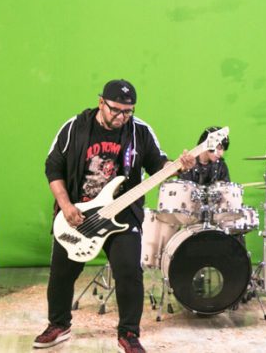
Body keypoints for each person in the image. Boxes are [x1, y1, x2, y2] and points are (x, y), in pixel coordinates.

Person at [34, 79, 195, 353]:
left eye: (128, 111)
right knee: (61, 273)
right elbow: (53, 168)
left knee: (129, 271)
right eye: (116, 110)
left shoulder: (139, 132)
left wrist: (178, 166)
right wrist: (65, 205)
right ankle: (59, 325)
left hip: (122, 214)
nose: (122, 116)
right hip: (78, 214)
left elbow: (159, 165)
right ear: (101, 103)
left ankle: (128, 333)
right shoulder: (74, 127)